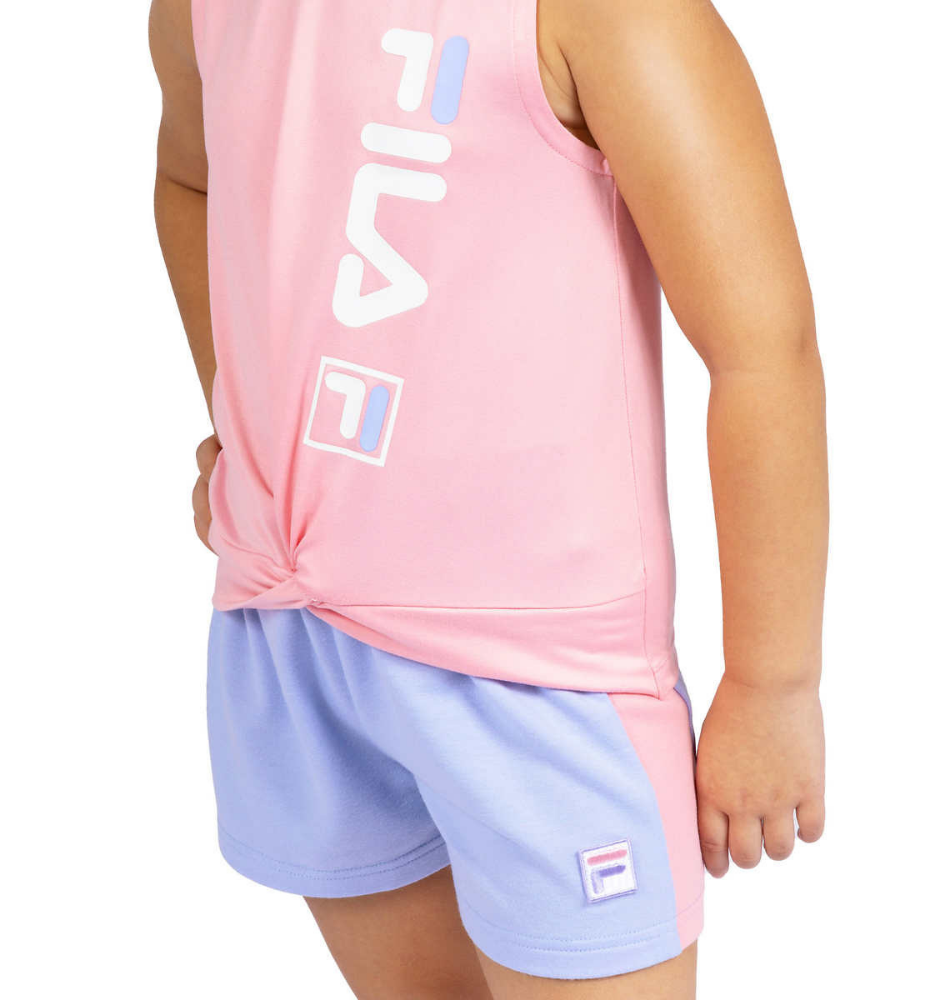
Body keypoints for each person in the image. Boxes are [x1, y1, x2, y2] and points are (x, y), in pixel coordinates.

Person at [149, 0, 828, 996]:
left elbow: (762, 351)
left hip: (539, 671)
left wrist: (772, 684)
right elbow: (190, 180)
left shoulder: (605, 15)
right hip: (293, 632)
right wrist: (252, 426)